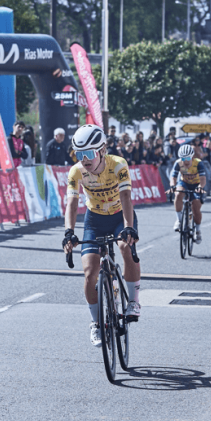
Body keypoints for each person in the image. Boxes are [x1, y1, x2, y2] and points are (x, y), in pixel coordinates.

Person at [61, 125, 141, 347]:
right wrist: (69, 232)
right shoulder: (76, 171)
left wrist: (128, 227)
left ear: (102, 150)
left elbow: (126, 196)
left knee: (125, 248)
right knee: (89, 273)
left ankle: (133, 301)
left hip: (119, 217)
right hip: (94, 220)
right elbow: (72, 202)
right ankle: (97, 323)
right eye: (79, 154)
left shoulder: (118, 165)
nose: (84, 159)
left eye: (88, 153)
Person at [169, 144, 208, 243]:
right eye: (183, 158)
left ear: (192, 156)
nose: (185, 160)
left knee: (196, 207)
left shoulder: (198, 163)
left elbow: (203, 179)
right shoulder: (178, 163)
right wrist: (173, 186)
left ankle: (198, 230)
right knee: (178, 194)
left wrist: (200, 187)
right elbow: (173, 177)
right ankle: (179, 219)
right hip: (184, 183)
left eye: (187, 158)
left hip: (196, 184)